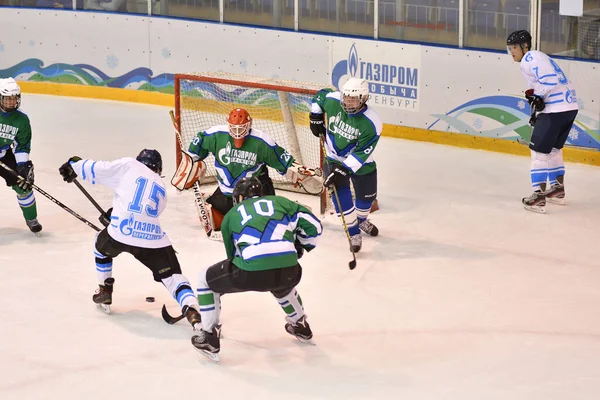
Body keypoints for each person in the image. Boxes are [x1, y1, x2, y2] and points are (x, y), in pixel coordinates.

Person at [58, 149, 202, 329]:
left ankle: (105, 290)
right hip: (153, 240)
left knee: (99, 246)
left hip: (119, 234)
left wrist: (74, 164)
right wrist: (115, 215)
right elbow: (146, 212)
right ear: (158, 169)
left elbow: (97, 169)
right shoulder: (161, 185)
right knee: (173, 277)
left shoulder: (129, 165)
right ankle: (192, 312)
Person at [190, 177, 322, 362]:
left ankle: (209, 336)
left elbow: (233, 256)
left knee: (206, 280)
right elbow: (315, 227)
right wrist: (301, 246)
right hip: (291, 271)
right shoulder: (282, 202)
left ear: (240, 197)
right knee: (282, 284)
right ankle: (300, 324)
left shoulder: (231, 214)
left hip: (250, 273)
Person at [177, 107, 305, 233]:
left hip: (253, 193)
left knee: (265, 224)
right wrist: (189, 166)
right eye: (234, 127)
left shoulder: (261, 141)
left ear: (250, 124)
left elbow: (283, 161)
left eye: (241, 127)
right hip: (226, 192)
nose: (238, 131)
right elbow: (195, 149)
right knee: (214, 218)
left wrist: (297, 174)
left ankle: (283, 210)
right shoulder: (215, 135)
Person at [507, 30, 579, 213]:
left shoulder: (530, 58)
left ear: (525, 47)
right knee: (554, 149)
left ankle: (538, 197)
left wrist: (537, 96)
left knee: (538, 153)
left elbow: (549, 81)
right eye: (510, 48)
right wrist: (536, 100)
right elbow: (544, 83)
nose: (511, 51)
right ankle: (557, 190)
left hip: (555, 110)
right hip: (568, 108)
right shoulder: (538, 58)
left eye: (514, 47)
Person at [309, 77, 382, 252]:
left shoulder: (372, 123)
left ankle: (362, 220)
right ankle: (354, 232)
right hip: (333, 158)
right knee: (341, 198)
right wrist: (315, 115)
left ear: (363, 99)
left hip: (360, 162)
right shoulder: (333, 100)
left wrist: (344, 170)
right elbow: (320, 96)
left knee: (367, 199)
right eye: (346, 96)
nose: (348, 101)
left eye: (353, 98)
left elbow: (361, 153)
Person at [0, 77, 42, 235]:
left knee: (23, 185)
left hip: (4, 155)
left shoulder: (21, 120)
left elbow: (21, 145)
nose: (11, 102)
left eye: (14, 98)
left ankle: (31, 219)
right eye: (7, 99)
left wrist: (22, 166)